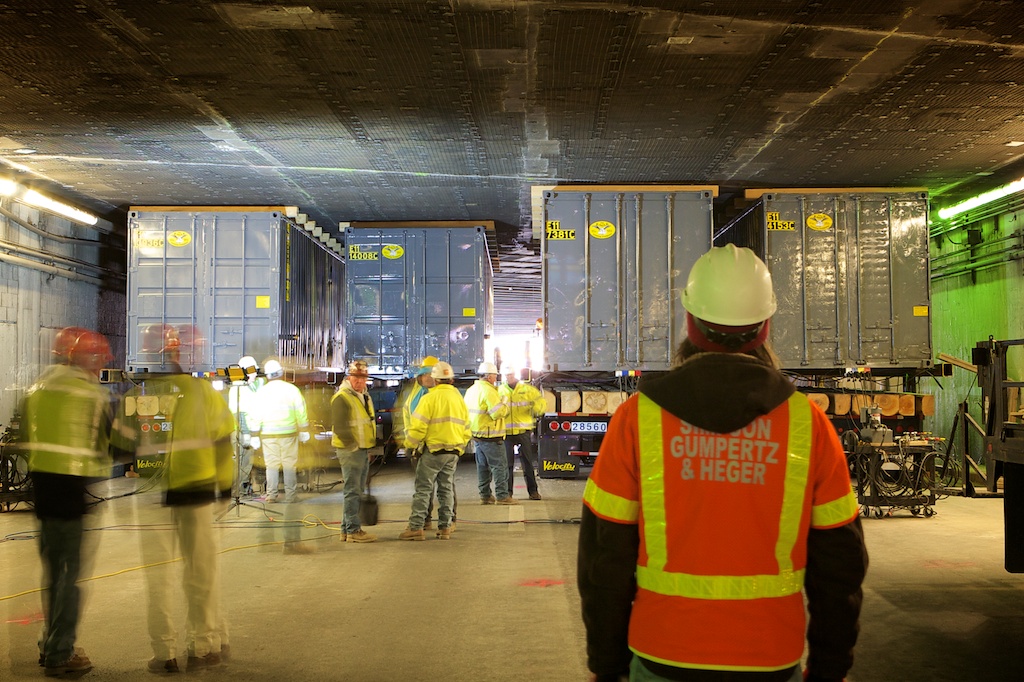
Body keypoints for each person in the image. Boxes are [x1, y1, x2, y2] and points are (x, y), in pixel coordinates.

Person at [577, 244, 868, 682]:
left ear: (691, 322)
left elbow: (605, 559)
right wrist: (830, 666)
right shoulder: (808, 425)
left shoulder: (636, 419)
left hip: (663, 651)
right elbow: (840, 567)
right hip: (770, 655)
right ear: (765, 327)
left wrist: (606, 663)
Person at [131, 323, 235, 673]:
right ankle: (204, 648)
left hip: (153, 496)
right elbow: (224, 445)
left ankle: (164, 655)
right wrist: (225, 489)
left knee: (159, 579)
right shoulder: (204, 393)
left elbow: (120, 446)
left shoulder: (142, 393)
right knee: (201, 573)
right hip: (198, 492)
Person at [19, 327, 114, 677]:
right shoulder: (91, 393)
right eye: (98, 358)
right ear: (85, 357)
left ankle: (50, 643)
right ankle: (61, 653)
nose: (100, 365)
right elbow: (105, 444)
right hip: (72, 493)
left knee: (53, 573)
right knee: (69, 576)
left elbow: (26, 436)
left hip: (42, 490)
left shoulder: (38, 386)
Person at [398, 362, 471, 540]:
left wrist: (410, 445)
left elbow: (418, 427)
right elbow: (467, 427)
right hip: (453, 452)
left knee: (423, 489)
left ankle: (416, 527)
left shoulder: (429, 399)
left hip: (433, 451)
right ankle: (445, 527)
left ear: (436, 380)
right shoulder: (459, 400)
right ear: (452, 380)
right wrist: (460, 447)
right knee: (445, 489)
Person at [331, 360, 378, 543]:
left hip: (361, 449)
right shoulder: (342, 398)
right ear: (349, 377)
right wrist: (353, 447)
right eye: (357, 378)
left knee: (355, 490)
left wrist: (368, 446)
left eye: (363, 378)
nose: (361, 382)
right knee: (353, 490)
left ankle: (345, 530)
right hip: (350, 451)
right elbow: (340, 427)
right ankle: (353, 529)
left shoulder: (364, 396)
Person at [251, 359, 310, 504]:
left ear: (267, 375)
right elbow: (301, 411)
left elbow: (255, 414)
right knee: (290, 465)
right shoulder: (292, 390)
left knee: (271, 465)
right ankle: (291, 496)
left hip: (268, 435)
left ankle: (271, 495)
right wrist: (304, 429)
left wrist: (254, 435)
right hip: (288, 434)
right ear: (281, 373)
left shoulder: (262, 392)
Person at [464, 361, 516, 505]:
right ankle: (502, 496)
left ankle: (485, 496)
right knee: (499, 467)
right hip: (491, 435)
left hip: (477, 434)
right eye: (494, 375)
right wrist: (504, 403)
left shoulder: (472, 390)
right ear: (488, 377)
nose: (496, 378)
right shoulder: (489, 391)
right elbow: (498, 413)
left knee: (483, 467)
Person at [498, 363, 546, 500]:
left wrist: (537, 410)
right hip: (506, 432)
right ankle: (508, 493)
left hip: (523, 431)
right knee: (507, 465)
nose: (509, 377)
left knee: (528, 463)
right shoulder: (500, 391)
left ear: (516, 375)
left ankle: (533, 492)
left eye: (511, 375)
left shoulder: (527, 390)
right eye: (507, 375)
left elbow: (540, 402)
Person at [226, 355, 264, 496]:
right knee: (243, 464)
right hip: (242, 432)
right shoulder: (242, 389)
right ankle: (239, 492)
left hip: (237, 431)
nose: (256, 374)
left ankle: (238, 491)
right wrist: (248, 434)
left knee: (238, 463)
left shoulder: (238, 387)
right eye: (253, 371)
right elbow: (241, 413)